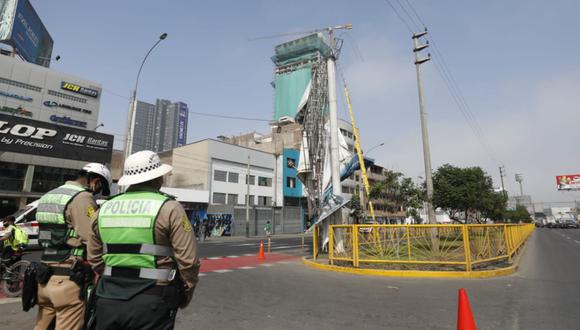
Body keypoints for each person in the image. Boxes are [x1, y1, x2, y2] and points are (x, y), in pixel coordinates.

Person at [88, 150, 199, 330]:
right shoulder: (169, 208)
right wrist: (185, 293)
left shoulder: (104, 208)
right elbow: (188, 261)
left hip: (108, 297)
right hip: (153, 300)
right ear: (157, 178)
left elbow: (94, 257)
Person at [34, 163, 112, 330]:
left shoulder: (49, 195)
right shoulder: (82, 197)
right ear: (95, 181)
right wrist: (100, 266)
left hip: (44, 276)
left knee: (42, 326)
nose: (96, 192)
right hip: (68, 278)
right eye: (99, 188)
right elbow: (89, 237)